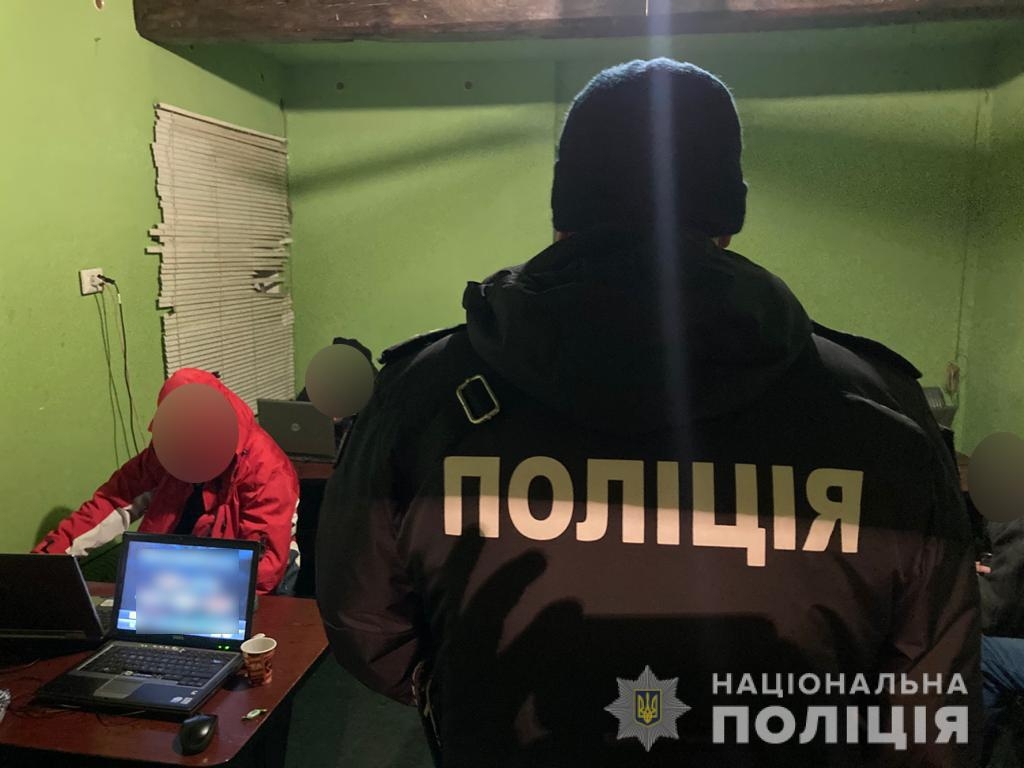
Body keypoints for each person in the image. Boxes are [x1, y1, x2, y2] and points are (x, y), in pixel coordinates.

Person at [317, 59, 980, 766]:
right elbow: (929, 703)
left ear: (564, 215)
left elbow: (366, 624)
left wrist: (471, 696)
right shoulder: (879, 411)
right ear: (724, 221)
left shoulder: (420, 394)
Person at [35, 368, 299, 595]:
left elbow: (263, 566)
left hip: (251, 582)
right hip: (176, 570)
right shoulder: (165, 451)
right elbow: (110, 503)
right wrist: (42, 565)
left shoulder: (268, 469)